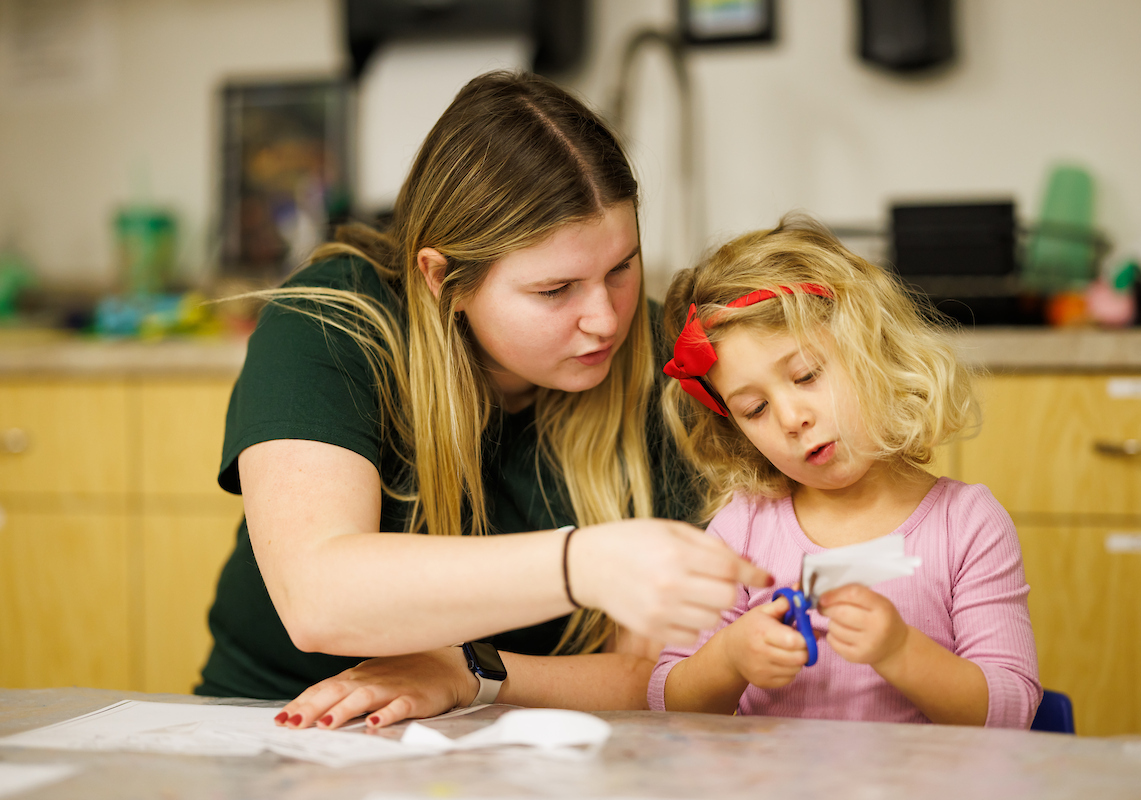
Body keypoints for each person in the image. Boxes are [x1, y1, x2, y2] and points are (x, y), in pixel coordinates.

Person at [197, 71, 772, 727]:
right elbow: (317, 596)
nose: (606, 319)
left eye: (622, 267)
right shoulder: (332, 323)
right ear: (443, 278)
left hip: (537, 747)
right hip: (274, 724)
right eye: (555, 290)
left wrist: (468, 675)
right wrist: (584, 563)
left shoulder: (666, 361)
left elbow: (657, 678)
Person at [649, 216, 1040, 727]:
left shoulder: (966, 524)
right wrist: (728, 659)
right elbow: (665, 702)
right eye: (755, 409)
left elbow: (1012, 712)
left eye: (806, 375)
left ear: (872, 349)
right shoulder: (740, 530)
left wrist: (901, 652)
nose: (792, 419)